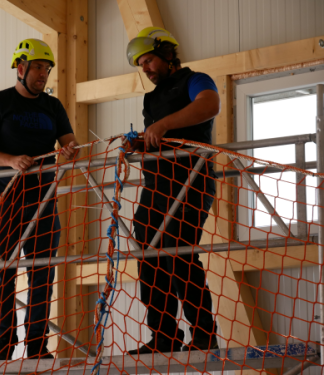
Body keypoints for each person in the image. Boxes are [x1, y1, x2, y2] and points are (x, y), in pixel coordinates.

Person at [0, 38, 78, 361]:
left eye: (46, 70)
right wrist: (11, 160)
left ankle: (37, 347)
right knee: (3, 272)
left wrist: (70, 149)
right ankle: (3, 347)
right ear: (20, 68)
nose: (42, 75)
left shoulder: (53, 107)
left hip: (44, 200)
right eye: (37, 68)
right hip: (4, 202)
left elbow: (70, 142)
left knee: (43, 273)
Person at [126, 27, 219, 354]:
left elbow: (209, 105)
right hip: (157, 187)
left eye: (149, 60)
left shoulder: (196, 80)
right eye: (141, 65)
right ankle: (164, 337)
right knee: (149, 256)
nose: (146, 69)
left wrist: (163, 125)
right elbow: (158, 139)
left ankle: (205, 335)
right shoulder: (152, 98)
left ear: (166, 53)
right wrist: (140, 143)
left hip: (191, 181)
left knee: (178, 251)